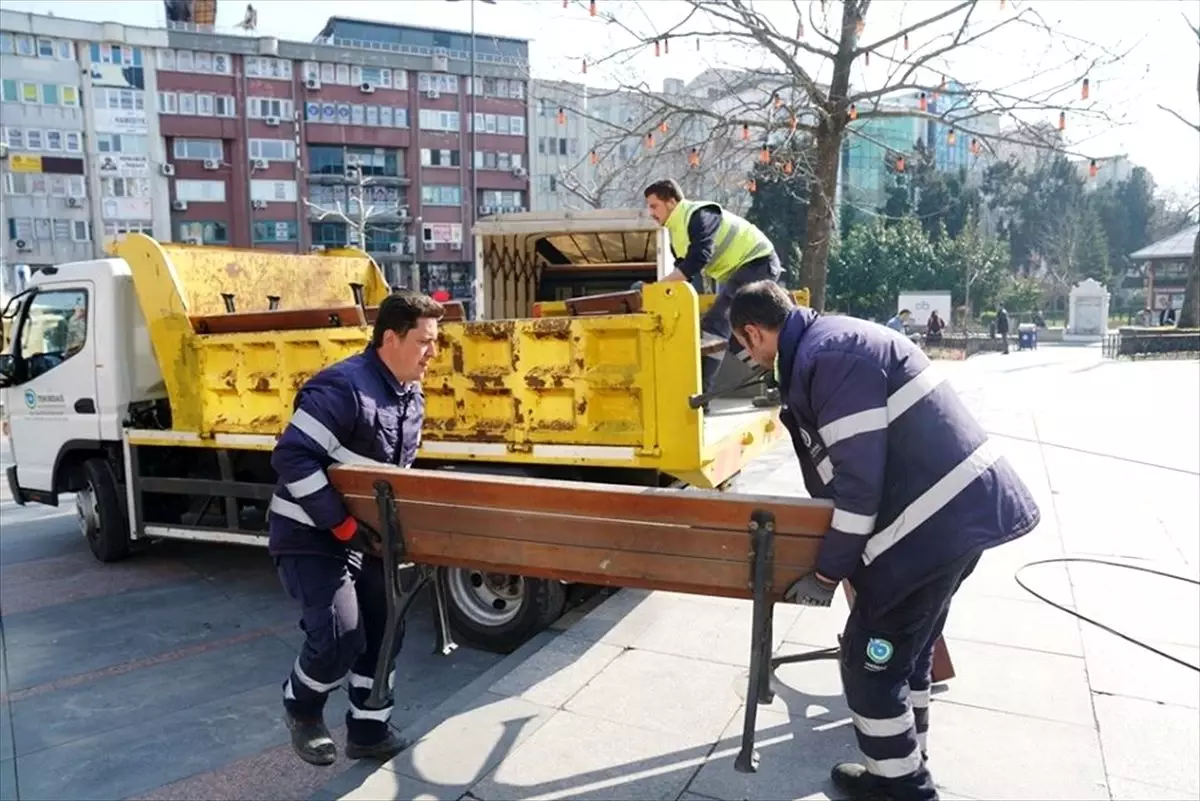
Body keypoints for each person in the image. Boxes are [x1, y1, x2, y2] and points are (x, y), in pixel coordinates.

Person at [727, 281, 1041, 801]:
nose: (754, 359)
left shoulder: (828, 359)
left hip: (931, 532)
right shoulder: (834, 342)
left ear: (754, 331)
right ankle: (901, 765)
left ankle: (906, 789)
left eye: (748, 346)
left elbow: (859, 485)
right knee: (908, 655)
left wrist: (829, 572)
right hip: (955, 520)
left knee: (867, 667)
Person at [267, 290, 444, 766]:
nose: (434, 352)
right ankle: (301, 708)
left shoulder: (410, 394)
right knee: (342, 636)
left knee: (387, 630)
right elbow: (291, 456)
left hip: (363, 537)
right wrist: (339, 524)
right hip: (309, 535)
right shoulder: (344, 388)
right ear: (391, 338)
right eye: (426, 341)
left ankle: (368, 731)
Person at [642, 178, 782, 391]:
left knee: (715, 324)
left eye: (654, 206)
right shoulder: (676, 232)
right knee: (735, 333)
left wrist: (655, 289)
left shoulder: (701, 215)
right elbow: (684, 272)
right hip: (742, 270)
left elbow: (699, 257)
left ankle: (700, 395)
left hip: (757, 262)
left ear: (671, 201)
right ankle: (776, 378)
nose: (651, 212)